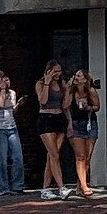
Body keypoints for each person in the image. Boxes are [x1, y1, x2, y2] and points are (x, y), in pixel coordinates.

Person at [36, 62, 70, 199]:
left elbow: (66, 105)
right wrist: (47, 83)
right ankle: (61, 187)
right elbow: (43, 100)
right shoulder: (40, 83)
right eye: (55, 71)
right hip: (46, 118)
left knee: (52, 156)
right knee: (54, 154)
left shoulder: (62, 84)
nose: (58, 74)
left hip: (59, 117)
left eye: (59, 71)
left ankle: (45, 189)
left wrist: (67, 91)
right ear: (49, 71)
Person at [67, 70, 101, 198]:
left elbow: (97, 106)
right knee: (80, 156)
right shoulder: (71, 92)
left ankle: (80, 184)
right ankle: (84, 185)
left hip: (89, 123)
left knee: (87, 157)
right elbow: (66, 106)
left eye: (79, 75)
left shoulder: (90, 91)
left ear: (85, 79)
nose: (76, 77)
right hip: (76, 124)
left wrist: (88, 108)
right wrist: (69, 88)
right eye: (75, 75)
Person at [0, 72, 22, 196]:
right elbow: (0, 104)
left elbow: (11, 109)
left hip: (12, 127)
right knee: (0, 159)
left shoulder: (12, 93)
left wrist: (18, 105)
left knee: (18, 157)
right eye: (3, 80)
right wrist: (2, 90)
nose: (6, 82)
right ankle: (2, 187)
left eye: (7, 80)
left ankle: (17, 186)